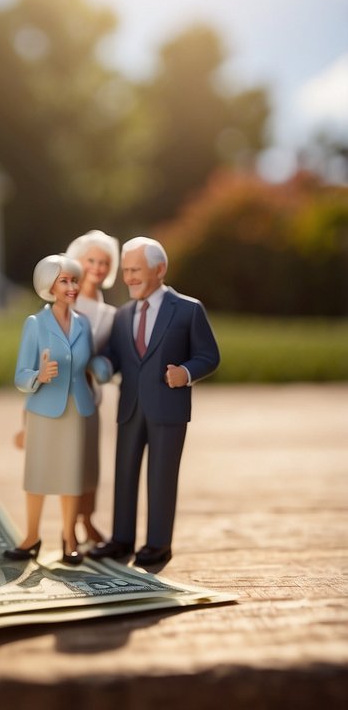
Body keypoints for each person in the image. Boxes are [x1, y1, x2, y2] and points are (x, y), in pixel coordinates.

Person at [87, 236, 220, 567]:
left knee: (161, 477)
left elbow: (209, 355)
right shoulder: (123, 314)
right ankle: (122, 539)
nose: (129, 277)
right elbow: (115, 356)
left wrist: (186, 373)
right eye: (126, 271)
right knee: (124, 474)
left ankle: (158, 544)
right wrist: (98, 366)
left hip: (168, 409)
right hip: (130, 407)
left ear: (159, 269)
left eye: (136, 270)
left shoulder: (188, 310)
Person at [6, 254, 109, 565]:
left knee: (71, 477)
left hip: (78, 408)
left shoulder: (83, 323)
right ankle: (31, 536)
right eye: (65, 280)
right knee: (38, 477)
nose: (72, 286)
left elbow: (87, 361)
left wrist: (102, 366)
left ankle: (68, 538)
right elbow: (20, 375)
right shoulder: (35, 324)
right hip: (44, 409)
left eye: (74, 280)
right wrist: (39, 375)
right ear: (48, 285)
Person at [65, 229, 120, 546]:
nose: (98, 268)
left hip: (91, 395)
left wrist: (103, 367)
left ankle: (87, 519)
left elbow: (108, 352)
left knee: (90, 462)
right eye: (92, 260)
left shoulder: (106, 310)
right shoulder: (67, 300)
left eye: (104, 262)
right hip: (65, 393)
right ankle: (68, 525)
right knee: (69, 462)